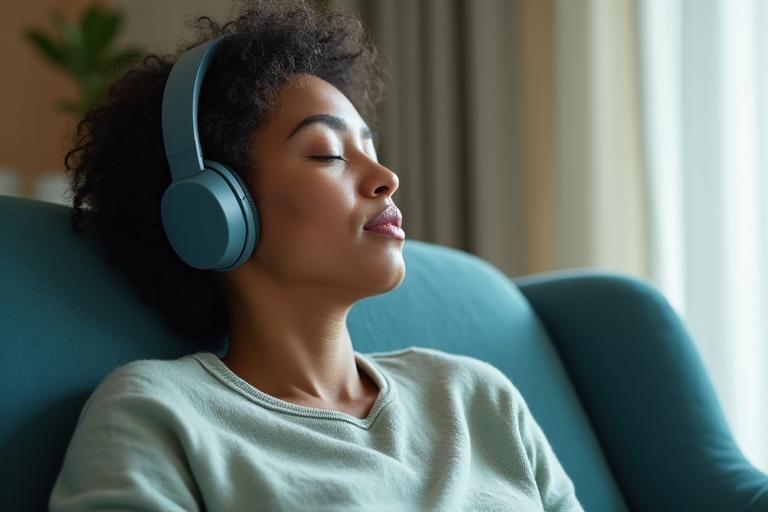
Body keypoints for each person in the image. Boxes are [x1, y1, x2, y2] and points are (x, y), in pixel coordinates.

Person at [49, 0, 584, 510]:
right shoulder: (157, 413)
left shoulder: (476, 397)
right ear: (215, 211)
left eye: (371, 149)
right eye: (328, 154)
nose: (387, 178)